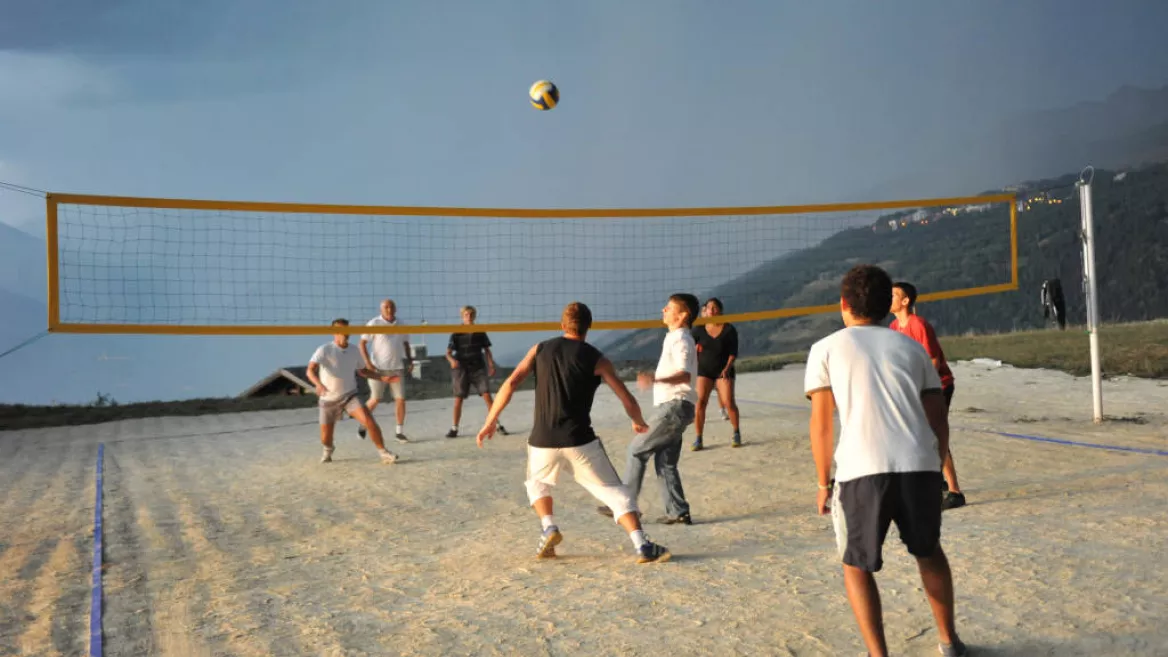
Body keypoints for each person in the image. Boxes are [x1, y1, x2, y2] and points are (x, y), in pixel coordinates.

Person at [806, 265, 966, 657]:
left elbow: (822, 425)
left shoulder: (825, 348)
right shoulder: (910, 346)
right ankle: (949, 642)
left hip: (861, 469)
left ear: (843, 304)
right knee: (928, 552)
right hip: (918, 464)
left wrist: (823, 482)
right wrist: (936, 464)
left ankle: (879, 654)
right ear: (883, 306)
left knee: (856, 565)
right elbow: (938, 418)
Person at [476, 302, 671, 563]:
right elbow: (626, 399)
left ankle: (549, 527)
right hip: (580, 440)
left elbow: (511, 383)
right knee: (615, 492)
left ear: (562, 325)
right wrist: (637, 420)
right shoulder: (596, 357)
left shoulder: (541, 348)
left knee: (536, 484)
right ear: (588, 327)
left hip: (542, 440)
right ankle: (641, 544)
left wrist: (491, 420)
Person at [598, 293, 699, 526]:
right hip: (677, 407)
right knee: (665, 462)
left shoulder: (681, 338)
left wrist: (656, 380)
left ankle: (624, 505)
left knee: (636, 450)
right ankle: (678, 511)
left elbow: (684, 374)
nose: (663, 310)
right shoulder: (676, 337)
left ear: (683, 315)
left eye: (669, 307)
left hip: (673, 407)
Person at [890, 281, 965, 510]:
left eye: (893, 295)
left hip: (937, 385)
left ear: (905, 301)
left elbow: (934, 361)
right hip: (917, 387)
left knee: (934, 434)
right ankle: (937, 479)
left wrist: (917, 384)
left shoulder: (919, 324)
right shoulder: (894, 327)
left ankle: (955, 492)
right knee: (919, 434)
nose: (888, 298)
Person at [307, 318, 401, 465]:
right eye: (340, 330)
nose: (344, 333)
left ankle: (383, 453)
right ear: (334, 332)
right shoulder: (324, 349)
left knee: (369, 421)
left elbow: (363, 371)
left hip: (350, 395)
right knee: (325, 438)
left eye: (346, 329)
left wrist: (383, 378)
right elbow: (310, 371)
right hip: (328, 399)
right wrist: (318, 384)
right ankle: (328, 449)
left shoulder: (354, 350)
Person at [445, 305, 507, 438]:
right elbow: (448, 353)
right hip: (461, 368)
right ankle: (454, 428)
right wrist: (452, 361)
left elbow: (487, 350)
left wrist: (491, 364)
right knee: (458, 399)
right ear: (462, 316)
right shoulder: (457, 332)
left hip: (478, 366)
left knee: (487, 395)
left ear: (474, 316)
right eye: (466, 314)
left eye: (471, 314)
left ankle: (497, 424)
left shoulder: (480, 331)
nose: (469, 316)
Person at [690, 297, 742, 450]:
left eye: (714, 308)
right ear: (704, 311)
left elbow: (733, 352)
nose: (711, 310)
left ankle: (736, 432)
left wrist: (726, 369)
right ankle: (698, 438)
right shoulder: (699, 329)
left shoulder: (728, 329)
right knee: (700, 403)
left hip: (723, 370)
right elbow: (690, 347)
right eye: (708, 308)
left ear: (720, 310)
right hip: (704, 371)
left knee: (729, 403)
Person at [359, 299, 412, 443]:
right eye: (386, 307)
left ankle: (399, 432)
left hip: (397, 368)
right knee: (375, 399)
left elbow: (406, 343)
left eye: (391, 306)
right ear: (381, 309)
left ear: (395, 309)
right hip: (378, 369)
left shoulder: (402, 324)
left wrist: (410, 360)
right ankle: (363, 424)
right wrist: (368, 363)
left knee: (400, 399)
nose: (389, 309)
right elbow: (362, 343)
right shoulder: (374, 323)